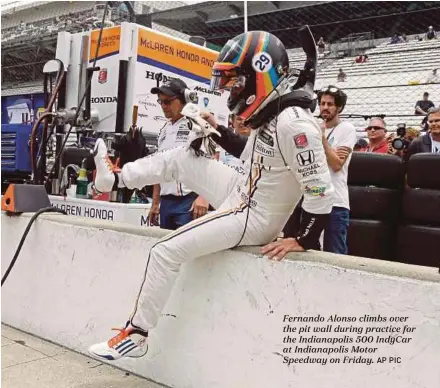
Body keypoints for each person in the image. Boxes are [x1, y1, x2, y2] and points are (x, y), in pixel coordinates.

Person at [88, 30, 334, 361]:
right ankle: (114, 181)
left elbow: (319, 188)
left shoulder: (294, 125)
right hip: (243, 191)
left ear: (259, 76)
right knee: (184, 158)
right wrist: (214, 130)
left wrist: (303, 239)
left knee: (164, 251)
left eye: (234, 81)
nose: (229, 89)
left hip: (253, 214)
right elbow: (250, 154)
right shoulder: (273, 114)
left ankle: (138, 333)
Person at [147, 79, 209, 230]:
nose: (163, 106)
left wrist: (204, 197)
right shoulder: (164, 131)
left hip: (188, 201)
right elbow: (159, 169)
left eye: (167, 102)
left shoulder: (197, 125)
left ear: (184, 100)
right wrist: (155, 203)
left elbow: (210, 162)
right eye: (160, 102)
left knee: (186, 250)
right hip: (166, 202)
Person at [318, 85, 357, 254]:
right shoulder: (315, 126)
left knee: (335, 253)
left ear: (339, 107)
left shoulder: (346, 129)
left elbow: (336, 164)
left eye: (330, 104)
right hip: (315, 198)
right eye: (322, 103)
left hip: (336, 202)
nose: (325, 107)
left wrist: (322, 139)